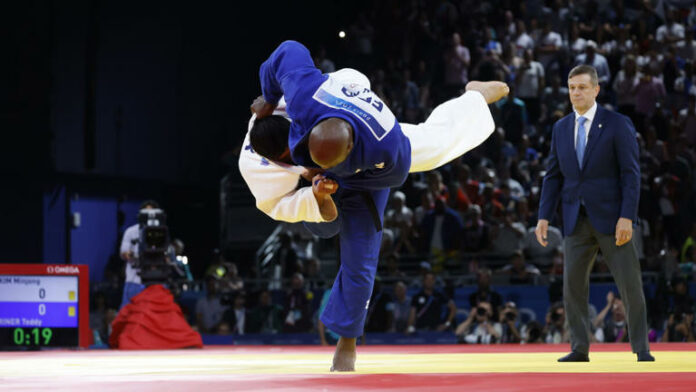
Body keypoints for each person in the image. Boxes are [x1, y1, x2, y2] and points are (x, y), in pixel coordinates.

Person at [246, 40, 508, 371]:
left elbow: (387, 183)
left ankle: (347, 342)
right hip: (336, 92)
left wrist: (334, 184)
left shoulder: (384, 147)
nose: (308, 166)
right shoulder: (299, 97)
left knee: (431, 151)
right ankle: (322, 192)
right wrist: (269, 99)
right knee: (322, 222)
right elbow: (285, 49)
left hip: (368, 167)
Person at [535, 65, 654, 362]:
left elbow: (631, 173)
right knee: (572, 287)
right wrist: (543, 216)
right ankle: (579, 348)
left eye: (582, 87)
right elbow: (553, 175)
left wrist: (627, 215)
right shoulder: (561, 127)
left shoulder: (616, 123)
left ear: (596, 89)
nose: (576, 92)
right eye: (572, 87)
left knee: (629, 284)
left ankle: (641, 348)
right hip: (575, 217)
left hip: (614, 219)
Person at [118, 200, 159, 309]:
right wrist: (134, 255)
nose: (148, 216)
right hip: (134, 280)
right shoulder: (131, 231)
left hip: (154, 280)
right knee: (127, 314)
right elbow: (124, 253)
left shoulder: (160, 232)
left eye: (151, 213)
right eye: (145, 213)